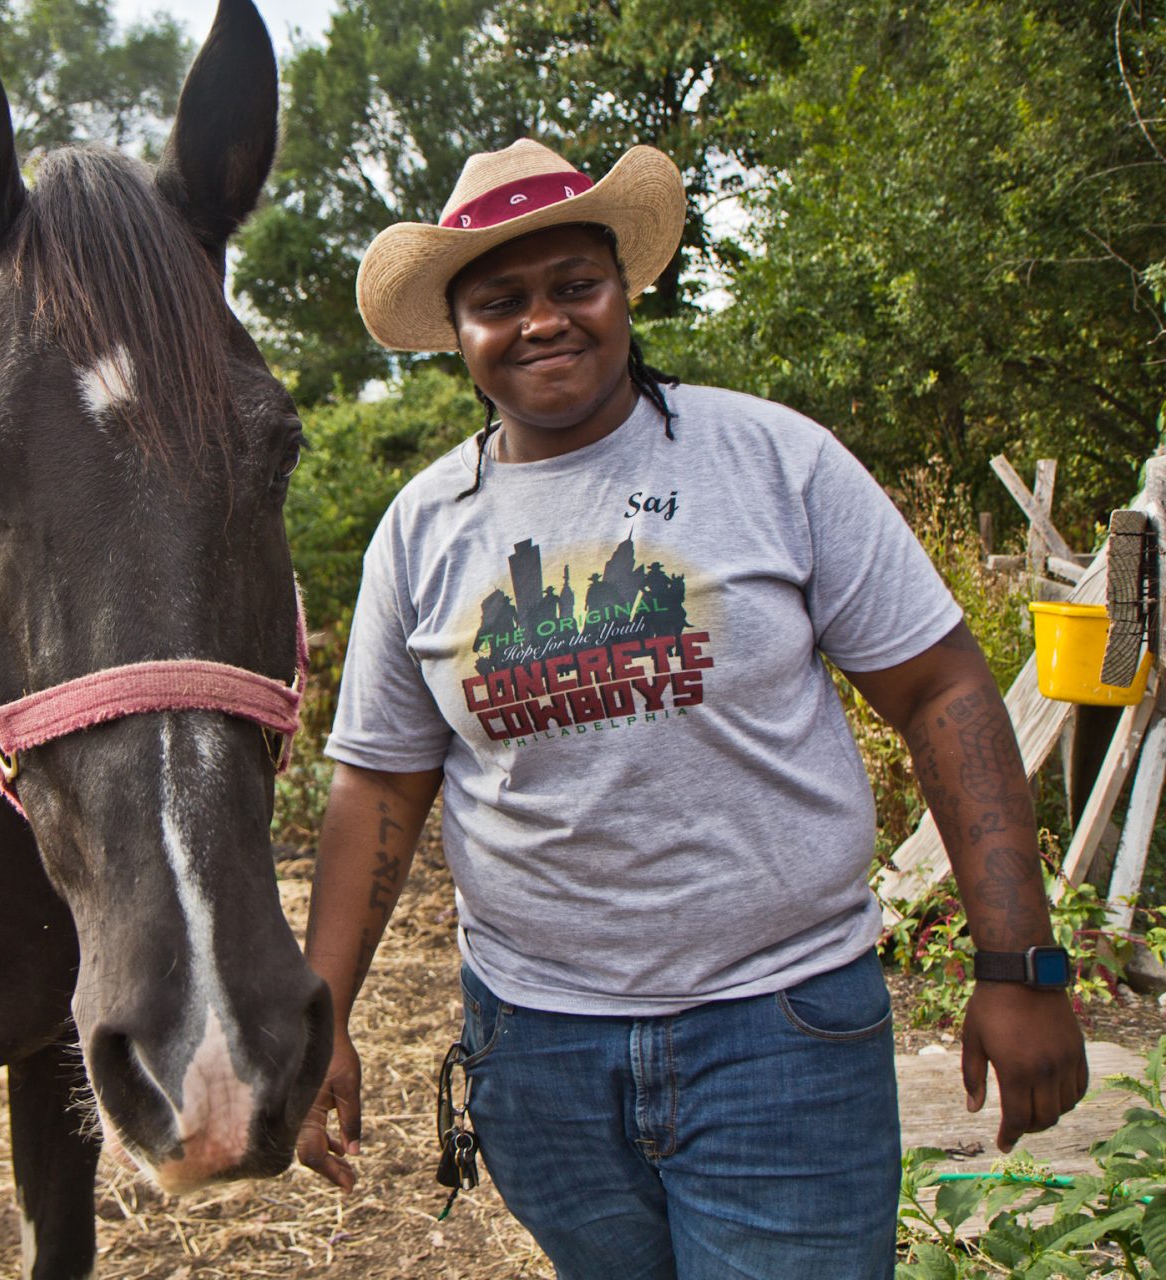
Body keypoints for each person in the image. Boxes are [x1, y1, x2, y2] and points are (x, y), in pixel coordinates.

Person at [294, 137, 1089, 1278]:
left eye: (577, 284)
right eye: (500, 300)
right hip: (535, 1047)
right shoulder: (424, 529)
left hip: (784, 1031)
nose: (545, 321)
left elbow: (942, 686)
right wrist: (323, 1013)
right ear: (457, 334)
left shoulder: (773, 461)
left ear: (625, 290)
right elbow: (380, 780)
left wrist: (1019, 962)